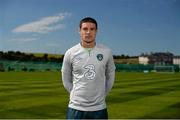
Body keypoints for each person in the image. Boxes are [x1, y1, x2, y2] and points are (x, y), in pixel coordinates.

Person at [61, 17, 115, 119]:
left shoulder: (106, 51)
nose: (88, 32)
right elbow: (66, 80)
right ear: (79, 31)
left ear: (96, 31)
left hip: (99, 108)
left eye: (92, 29)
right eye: (85, 29)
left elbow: (110, 77)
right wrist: (75, 94)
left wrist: (102, 96)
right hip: (75, 107)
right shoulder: (70, 53)